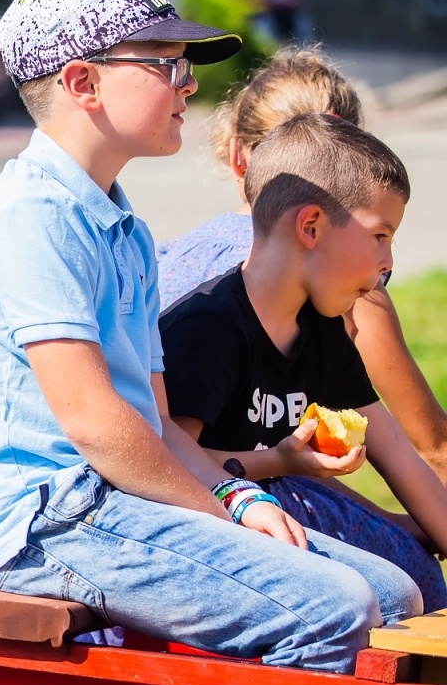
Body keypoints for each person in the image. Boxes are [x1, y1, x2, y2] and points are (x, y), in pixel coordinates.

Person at [0, 0, 422, 674]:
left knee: (394, 594)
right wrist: (226, 510)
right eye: (166, 64)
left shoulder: (121, 228)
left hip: (112, 503)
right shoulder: (32, 218)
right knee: (334, 609)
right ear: (81, 83)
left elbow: (155, 423)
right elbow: (97, 426)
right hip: (46, 522)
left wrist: (239, 497)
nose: (189, 83)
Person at [160, 113, 447, 612]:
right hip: (209, 529)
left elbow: (402, 459)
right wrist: (278, 462)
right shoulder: (208, 329)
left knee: (423, 575)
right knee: (399, 597)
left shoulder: (323, 329)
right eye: (381, 235)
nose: (390, 262)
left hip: (282, 503)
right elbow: (165, 461)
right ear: (311, 226)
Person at [161, 48, 447, 489]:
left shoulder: (167, 258)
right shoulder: (327, 286)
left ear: (238, 154)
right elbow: (434, 448)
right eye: (379, 236)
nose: (386, 264)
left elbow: (370, 444)